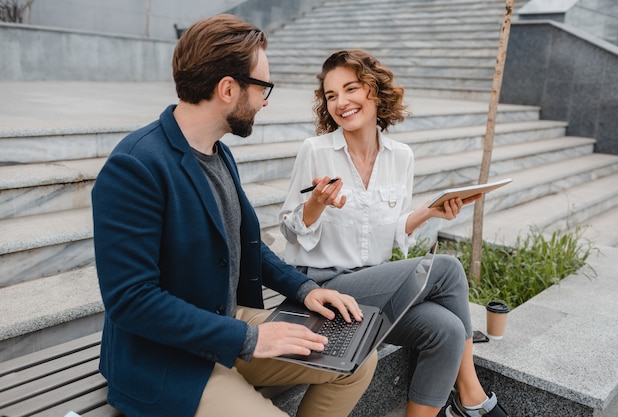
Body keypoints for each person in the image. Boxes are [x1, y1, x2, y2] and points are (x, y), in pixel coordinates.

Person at [91, 16, 377, 417]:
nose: (265, 100)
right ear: (228, 88)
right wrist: (250, 337)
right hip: (162, 358)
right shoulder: (135, 166)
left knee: (358, 360)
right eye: (264, 87)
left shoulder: (218, 151)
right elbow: (132, 301)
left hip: (222, 323)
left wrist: (305, 289)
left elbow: (246, 246)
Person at [279, 49, 509, 417]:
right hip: (325, 290)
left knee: (447, 330)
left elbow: (392, 228)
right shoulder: (316, 150)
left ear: (374, 89)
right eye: (331, 95)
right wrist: (317, 204)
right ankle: (472, 397)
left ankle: (453, 407)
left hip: (374, 289)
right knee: (447, 269)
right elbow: (290, 231)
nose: (341, 102)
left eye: (350, 88)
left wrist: (428, 212)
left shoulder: (402, 156)